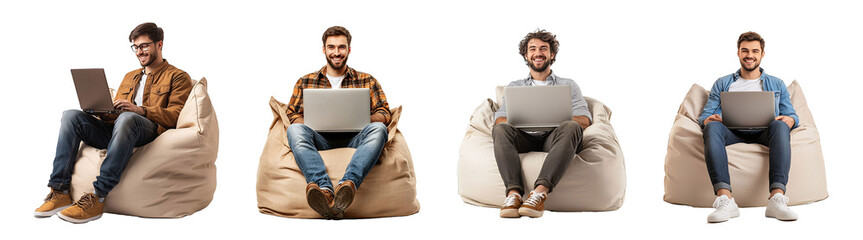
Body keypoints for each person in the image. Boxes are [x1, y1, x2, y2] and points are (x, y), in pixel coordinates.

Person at [35, 22, 192, 223]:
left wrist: (140, 110)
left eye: (144, 46)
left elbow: (175, 115)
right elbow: (117, 116)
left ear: (159, 44)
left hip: (149, 131)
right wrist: (101, 110)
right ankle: (59, 191)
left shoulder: (178, 76)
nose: (139, 52)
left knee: (128, 118)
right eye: (135, 47)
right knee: (71, 116)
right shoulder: (130, 76)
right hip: (119, 130)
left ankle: (98, 196)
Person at [285, 26, 390, 220]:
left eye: (341, 47)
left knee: (379, 129)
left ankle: (347, 185)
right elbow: (291, 114)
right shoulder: (305, 81)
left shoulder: (367, 80)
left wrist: (360, 119)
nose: (336, 52)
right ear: (323, 49)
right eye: (331, 47)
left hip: (356, 139)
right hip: (320, 140)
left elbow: (384, 112)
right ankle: (323, 189)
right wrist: (312, 123)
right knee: (294, 130)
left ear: (349, 49)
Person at [699, 31, 799, 223]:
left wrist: (790, 121)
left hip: (765, 132)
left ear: (762, 54)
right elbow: (704, 116)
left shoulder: (776, 83)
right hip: (731, 131)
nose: (749, 55)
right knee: (711, 127)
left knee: (780, 126)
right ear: (738, 53)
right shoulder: (722, 83)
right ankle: (725, 200)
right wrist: (710, 119)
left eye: (755, 51)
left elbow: (792, 114)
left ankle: (776, 199)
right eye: (745, 50)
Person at [493, 29, 591, 218]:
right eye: (532, 49)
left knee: (572, 126)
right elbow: (500, 119)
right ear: (526, 55)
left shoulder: (569, 85)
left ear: (551, 54)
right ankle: (513, 195)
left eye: (543, 49)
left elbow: (584, 120)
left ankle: (539, 194)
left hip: (554, 137)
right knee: (500, 129)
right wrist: (522, 119)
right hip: (524, 137)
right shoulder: (514, 87)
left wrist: (557, 118)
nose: (538, 53)